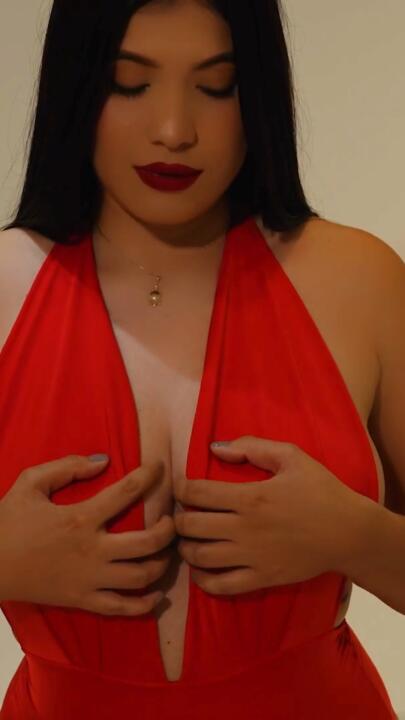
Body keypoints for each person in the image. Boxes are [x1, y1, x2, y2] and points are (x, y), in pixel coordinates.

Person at [0, 0, 403, 717]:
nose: (173, 130)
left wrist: (357, 537)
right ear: (76, 86)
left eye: (217, 87)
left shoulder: (359, 279)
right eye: (129, 83)